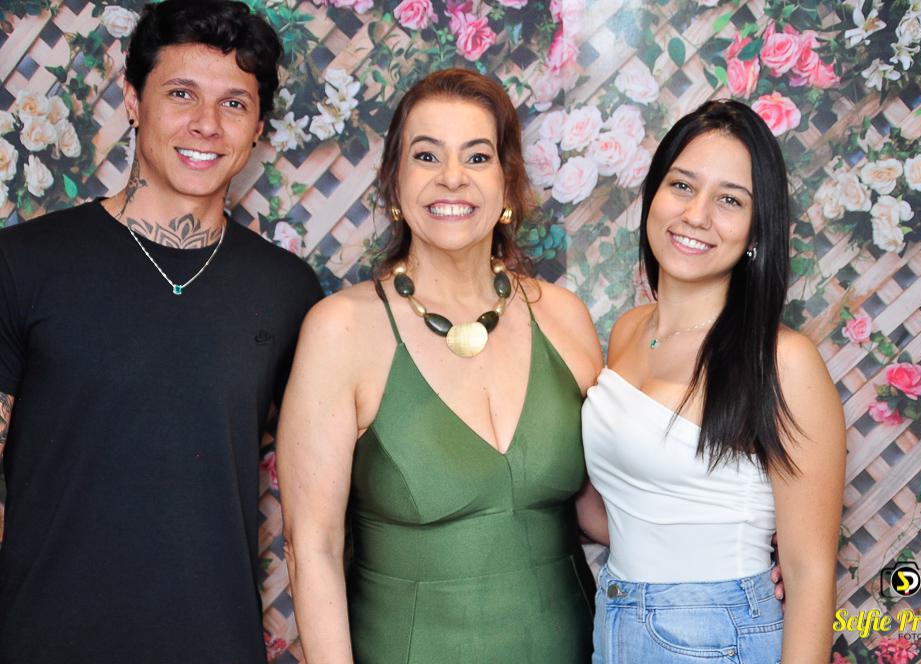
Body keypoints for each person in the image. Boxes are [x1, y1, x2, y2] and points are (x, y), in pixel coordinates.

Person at [0, 2, 322, 661]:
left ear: (258, 128)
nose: (206, 123)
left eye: (234, 103)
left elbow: (323, 497)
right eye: (181, 94)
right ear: (132, 100)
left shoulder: (288, 290)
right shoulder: (23, 263)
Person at [277, 68, 601, 663]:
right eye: (427, 155)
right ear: (394, 182)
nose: (452, 176)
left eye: (477, 157)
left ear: (508, 182)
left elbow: (602, 507)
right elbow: (312, 547)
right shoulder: (339, 330)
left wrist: (738, 541)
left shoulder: (564, 317)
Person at [579, 100, 845, 663]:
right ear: (653, 195)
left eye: (729, 200)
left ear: (755, 229)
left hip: (716, 636)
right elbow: (632, 507)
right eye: (682, 185)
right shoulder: (628, 331)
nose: (696, 215)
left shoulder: (783, 360)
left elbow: (809, 571)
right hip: (616, 620)